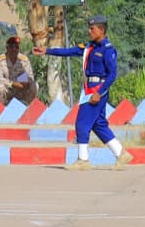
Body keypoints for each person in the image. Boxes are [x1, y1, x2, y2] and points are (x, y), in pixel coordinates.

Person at [45, 15, 132, 168]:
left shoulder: (107, 50)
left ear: (101, 30)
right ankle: (121, 154)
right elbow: (70, 52)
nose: (89, 31)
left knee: (82, 123)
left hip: (97, 90)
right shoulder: (90, 47)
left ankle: (83, 160)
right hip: (88, 88)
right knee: (98, 125)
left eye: (92, 28)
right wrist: (47, 51)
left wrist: (100, 92)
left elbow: (112, 74)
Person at [0, 35, 38, 106]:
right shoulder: (0, 60)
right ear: (7, 48)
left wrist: (25, 81)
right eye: (11, 47)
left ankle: (25, 107)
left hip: (20, 90)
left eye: (16, 47)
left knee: (35, 85)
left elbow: (30, 77)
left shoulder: (24, 60)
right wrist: (12, 83)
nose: (14, 49)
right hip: (7, 90)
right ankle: (1, 108)